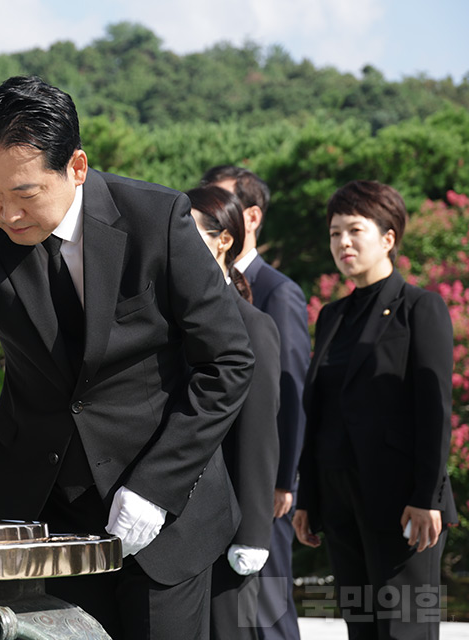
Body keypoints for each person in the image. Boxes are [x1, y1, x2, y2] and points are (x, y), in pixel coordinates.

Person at [0, 75, 255, 639]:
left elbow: (227, 362)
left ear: (76, 167)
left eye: (25, 193)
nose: (7, 213)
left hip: (162, 502)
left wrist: (156, 488)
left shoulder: (157, 219)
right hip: (40, 510)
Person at [293, 180, 456, 639]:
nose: (342, 242)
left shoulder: (419, 308)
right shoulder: (333, 316)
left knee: (405, 628)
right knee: (360, 627)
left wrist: (427, 497)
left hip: (403, 504)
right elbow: (319, 412)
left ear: (388, 238)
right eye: (334, 233)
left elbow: (434, 409)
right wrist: (309, 500)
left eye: (355, 230)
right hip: (340, 500)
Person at [201, 165, 310, 639]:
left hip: (263, 487)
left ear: (248, 218)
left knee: (267, 612)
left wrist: (281, 481)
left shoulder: (277, 292)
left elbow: (287, 392)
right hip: (218, 494)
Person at [187, 186, 281, 640]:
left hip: (227, 526)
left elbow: (259, 436)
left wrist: (254, 534)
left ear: (224, 240)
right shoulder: (165, 317)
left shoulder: (253, 325)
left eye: (188, 231)